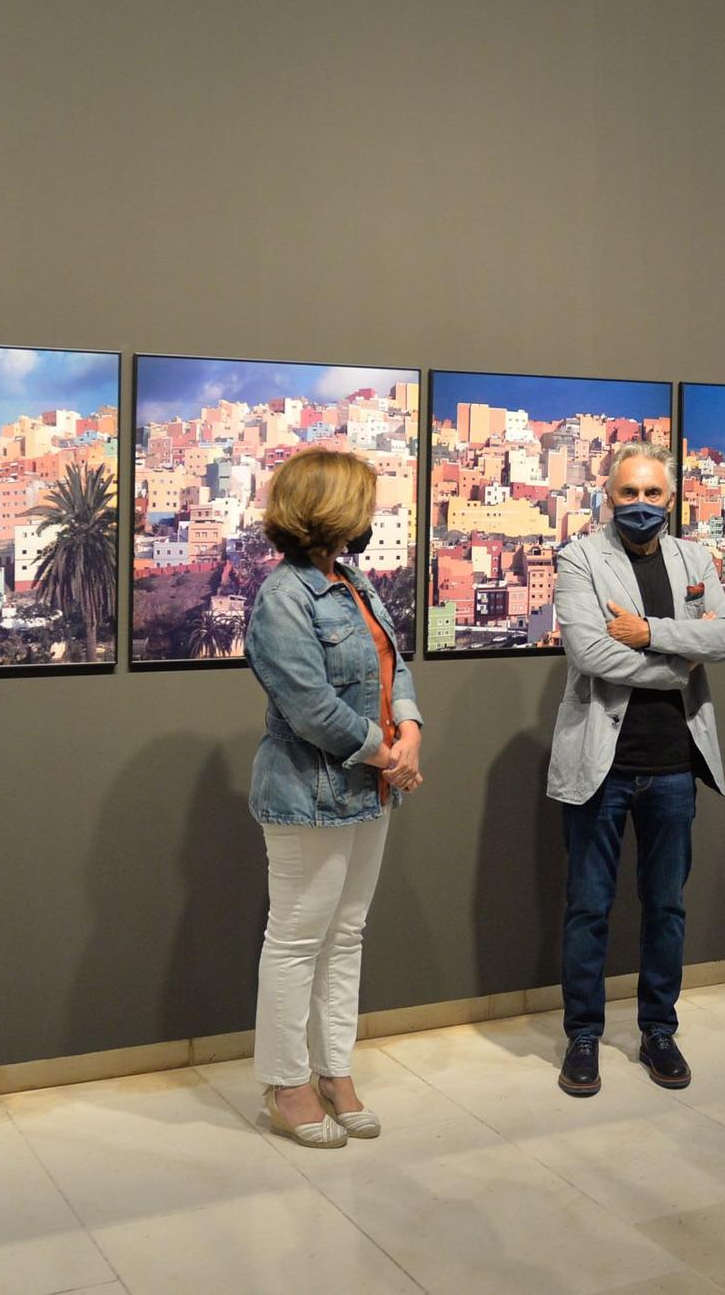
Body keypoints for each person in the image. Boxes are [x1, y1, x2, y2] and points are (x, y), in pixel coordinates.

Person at [547, 440, 725, 1097]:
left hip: (672, 764)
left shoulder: (694, 557)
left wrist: (652, 633)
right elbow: (590, 651)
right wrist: (680, 658)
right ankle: (583, 1034)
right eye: (627, 493)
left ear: (670, 497)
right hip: (600, 765)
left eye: (651, 493)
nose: (639, 504)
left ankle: (660, 1028)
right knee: (589, 907)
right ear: (609, 496)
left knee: (666, 906)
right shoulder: (579, 556)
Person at [244, 448, 424, 1148]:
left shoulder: (353, 583)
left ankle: (334, 1072)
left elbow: (394, 664)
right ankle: (286, 1084)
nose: (370, 517)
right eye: (363, 503)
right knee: (296, 939)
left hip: (370, 787)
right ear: (331, 510)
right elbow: (310, 706)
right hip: (307, 795)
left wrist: (408, 728)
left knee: (346, 934)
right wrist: (390, 751)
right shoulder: (282, 598)